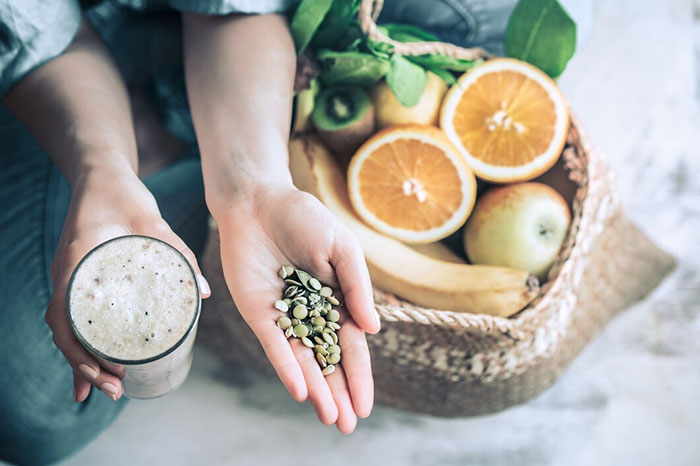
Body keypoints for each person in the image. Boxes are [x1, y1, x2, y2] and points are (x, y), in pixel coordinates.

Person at [0, 0, 592, 463]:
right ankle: (156, 135)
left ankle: (193, 136)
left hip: (239, 34)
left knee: (539, 12)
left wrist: (253, 187)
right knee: (30, 414)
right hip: (70, 73)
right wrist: (99, 169)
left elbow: (231, 7)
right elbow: (37, 41)